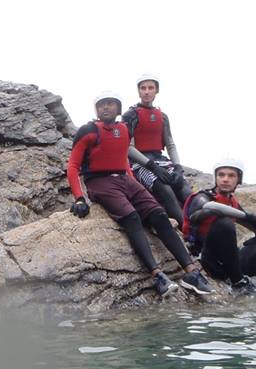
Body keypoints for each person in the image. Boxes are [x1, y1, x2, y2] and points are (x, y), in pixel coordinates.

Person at [67, 91, 214, 297]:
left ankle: (191, 272)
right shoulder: (88, 131)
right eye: (101, 105)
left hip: (125, 179)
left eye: (110, 104)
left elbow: (123, 161)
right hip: (99, 182)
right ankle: (158, 276)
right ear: (96, 110)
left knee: (159, 215)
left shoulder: (123, 130)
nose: (105, 107)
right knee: (132, 218)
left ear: (118, 108)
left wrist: (135, 188)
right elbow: (73, 166)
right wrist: (79, 198)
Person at [182, 158, 256, 291]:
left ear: (239, 180)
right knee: (225, 223)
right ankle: (238, 282)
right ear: (215, 178)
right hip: (210, 264)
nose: (225, 179)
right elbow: (212, 207)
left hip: (232, 262)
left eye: (231, 176)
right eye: (221, 175)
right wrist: (249, 217)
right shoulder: (202, 197)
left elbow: (255, 226)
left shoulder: (232, 202)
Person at [122, 73, 193, 227]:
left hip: (161, 159)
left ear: (157, 90)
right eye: (143, 88)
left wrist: (178, 167)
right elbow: (128, 147)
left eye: (150, 88)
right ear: (138, 91)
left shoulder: (162, 116)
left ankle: (202, 227)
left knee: (184, 189)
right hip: (139, 163)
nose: (147, 92)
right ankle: (186, 229)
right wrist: (152, 166)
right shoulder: (130, 115)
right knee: (165, 189)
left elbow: (170, 144)